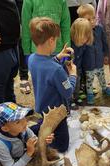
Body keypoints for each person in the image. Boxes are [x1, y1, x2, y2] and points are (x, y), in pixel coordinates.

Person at [28, 17, 77, 153]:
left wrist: (58, 57)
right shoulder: (56, 70)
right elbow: (68, 92)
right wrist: (73, 75)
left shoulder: (32, 59)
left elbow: (45, 67)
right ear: (51, 40)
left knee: (47, 125)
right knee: (62, 145)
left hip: (42, 107)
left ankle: (40, 128)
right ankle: (41, 135)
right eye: (55, 40)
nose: (56, 43)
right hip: (56, 112)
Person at [0, 102, 54, 166]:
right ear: (5, 128)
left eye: (23, 117)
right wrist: (28, 153)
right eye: (18, 122)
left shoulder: (24, 129)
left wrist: (44, 141)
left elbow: (36, 141)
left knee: (47, 155)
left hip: (19, 157)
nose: (25, 122)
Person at [77, 4, 110, 104]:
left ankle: (104, 88)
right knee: (89, 80)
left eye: (93, 18)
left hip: (99, 60)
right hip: (88, 63)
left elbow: (105, 42)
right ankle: (89, 94)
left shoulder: (99, 29)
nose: (92, 21)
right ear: (82, 20)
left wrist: (106, 55)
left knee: (102, 76)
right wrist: (79, 64)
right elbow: (80, 50)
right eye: (89, 19)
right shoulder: (83, 32)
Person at [70, 17, 93, 107]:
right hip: (69, 71)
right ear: (77, 34)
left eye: (88, 35)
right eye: (85, 35)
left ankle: (76, 97)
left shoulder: (83, 45)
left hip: (78, 69)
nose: (87, 38)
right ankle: (70, 100)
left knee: (77, 84)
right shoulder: (70, 45)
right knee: (69, 85)